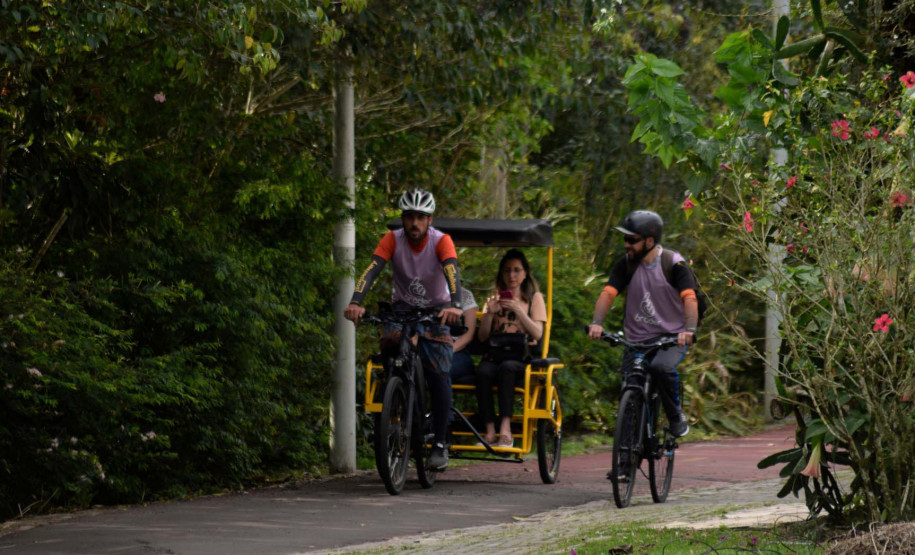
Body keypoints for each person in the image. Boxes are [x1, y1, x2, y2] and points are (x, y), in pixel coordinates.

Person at [343, 189, 463, 471]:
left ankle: (440, 444)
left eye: (420, 217)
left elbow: (452, 271)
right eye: (409, 217)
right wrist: (355, 302)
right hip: (402, 309)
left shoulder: (441, 241)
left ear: (429, 219)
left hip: (437, 309)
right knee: (389, 347)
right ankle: (396, 395)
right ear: (402, 218)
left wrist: (455, 304)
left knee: (439, 371)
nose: (414, 223)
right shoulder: (392, 240)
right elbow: (371, 270)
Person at [587, 210, 698, 466]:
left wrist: (689, 330)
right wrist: (597, 323)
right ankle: (625, 462)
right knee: (630, 387)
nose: (627, 245)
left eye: (632, 240)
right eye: (625, 240)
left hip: (671, 337)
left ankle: (675, 415)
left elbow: (689, 297)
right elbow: (608, 293)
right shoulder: (626, 263)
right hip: (637, 338)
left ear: (649, 240)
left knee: (661, 367)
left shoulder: (674, 263)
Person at [475, 249, 547, 447]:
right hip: (496, 353)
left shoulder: (534, 298)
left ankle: (505, 430)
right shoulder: (493, 299)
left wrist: (518, 311)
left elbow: (538, 333)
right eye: (507, 271)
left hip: (520, 356)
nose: (512, 276)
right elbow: (482, 337)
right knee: (483, 372)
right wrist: (490, 314)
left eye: (516, 270)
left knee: (507, 369)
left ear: (525, 273)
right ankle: (489, 431)